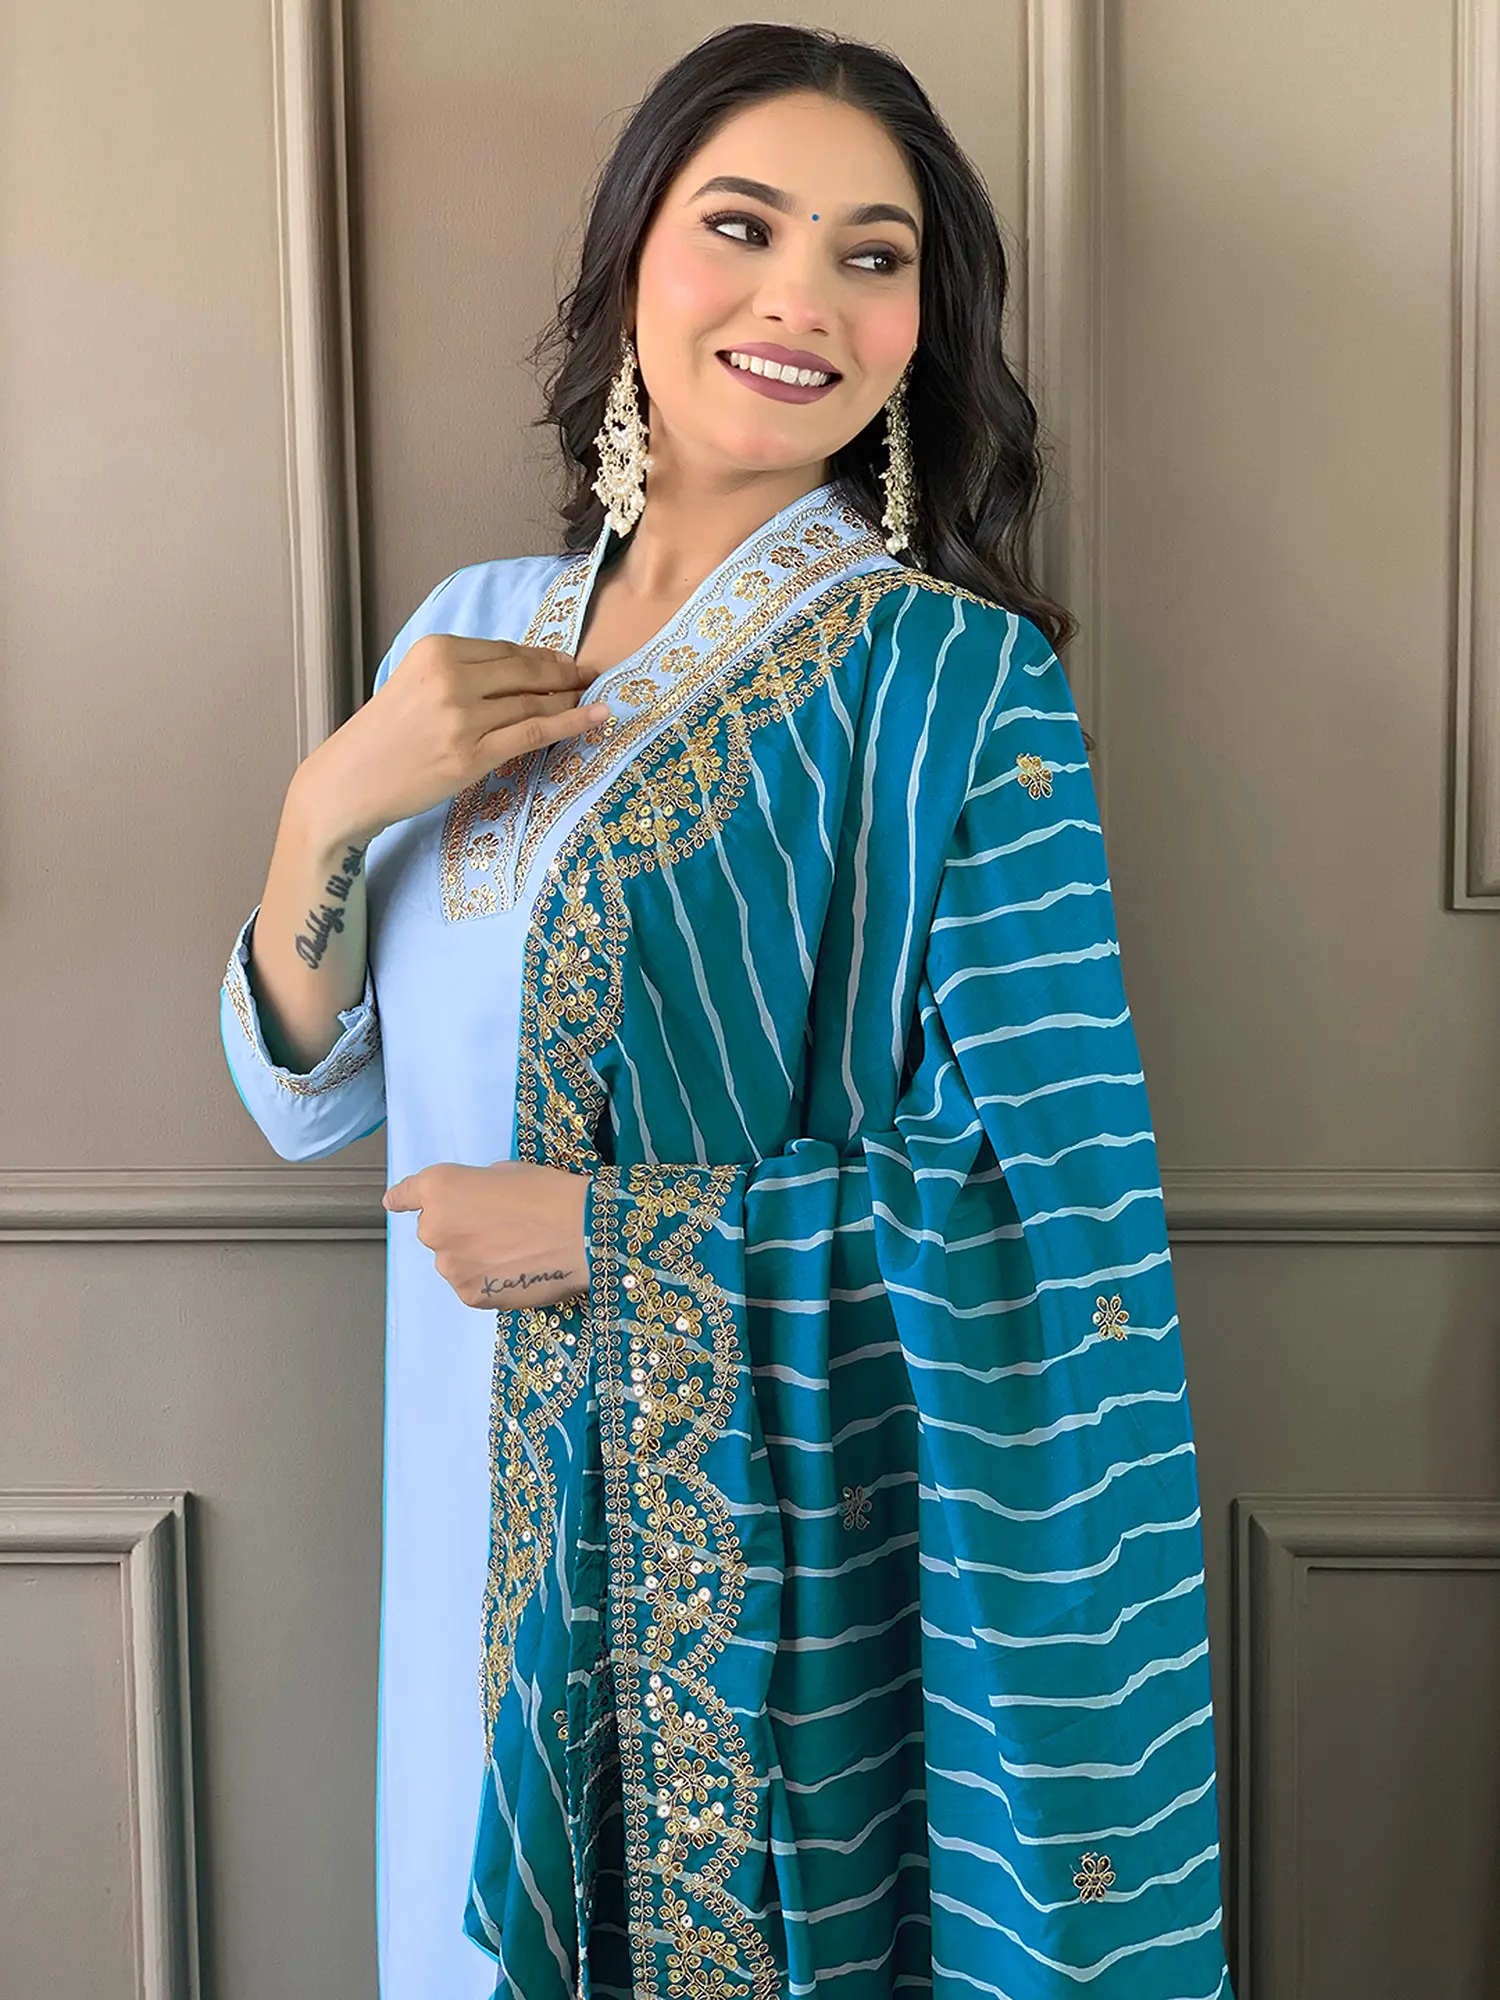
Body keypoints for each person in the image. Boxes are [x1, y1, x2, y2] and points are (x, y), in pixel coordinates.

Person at [220, 23, 1233, 2000]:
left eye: (874, 255)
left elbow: (1046, 1207)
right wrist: (326, 804)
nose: (802, 301)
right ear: (632, 263)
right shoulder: (464, 632)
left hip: (737, 1582)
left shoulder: (954, 687)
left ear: (923, 326)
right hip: (457, 1518)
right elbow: (306, 1102)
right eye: (742, 227)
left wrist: (619, 1239)